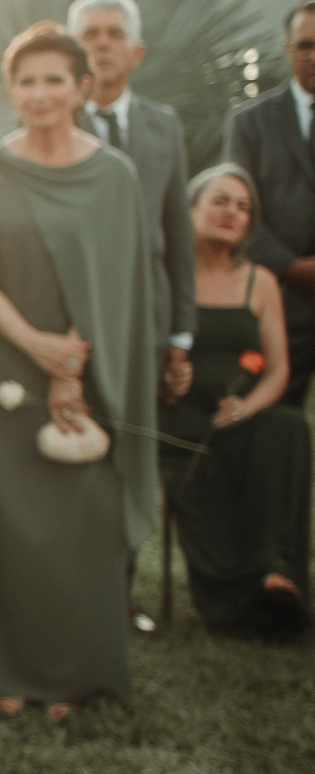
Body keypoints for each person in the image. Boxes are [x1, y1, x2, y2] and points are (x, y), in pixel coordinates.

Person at [0, 24, 156, 719]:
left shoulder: (114, 175)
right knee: (1, 521)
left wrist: (70, 366)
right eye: (25, 81)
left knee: (76, 518)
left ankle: (69, 674)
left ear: (82, 88)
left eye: (54, 79)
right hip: (0, 364)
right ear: (11, 91)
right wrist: (35, 345)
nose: (39, 93)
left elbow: (117, 284)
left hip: (90, 367)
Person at [160, 165, 309, 636]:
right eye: (220, 201)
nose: (232, 213)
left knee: (286, 426)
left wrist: (248, 406)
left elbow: (278, 369)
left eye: (243, 208)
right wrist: (166, 378)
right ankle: (234, 594)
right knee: (199, 447)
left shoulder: (259, 281)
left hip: (241, 414)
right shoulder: (165, 277)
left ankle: (274, 572)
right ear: (190, 210)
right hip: (180, 416)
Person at [72, 0, 196, 403]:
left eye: (115, 33)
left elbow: (178, 231)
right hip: (75, 317)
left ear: (137, 53)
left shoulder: (165, 125)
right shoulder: (52, 125)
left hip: (149, 314)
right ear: (73, 52)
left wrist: (181, 331)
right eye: (89, 35)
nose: (102, 43)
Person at [223, 0, 315, 405]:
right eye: (306, 45)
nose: (314, 56)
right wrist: (292, 267)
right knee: (275, 426)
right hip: (277, 304)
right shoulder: (250, 123)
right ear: (287, 48)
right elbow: (235, 211)